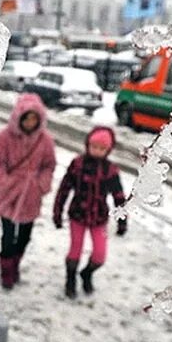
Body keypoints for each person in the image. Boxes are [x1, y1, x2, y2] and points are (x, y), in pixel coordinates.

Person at [0, 93, 57, 290]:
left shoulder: (45, 140)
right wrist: (5, 181)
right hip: (9, 195)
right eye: (26, 118)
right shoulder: (4, 137)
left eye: (34, 118)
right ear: (19, 117)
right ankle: (6, 270)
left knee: (25, 236)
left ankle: (15, 264)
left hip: (31, 195)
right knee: (8, 236)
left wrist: (41, 184)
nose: (30, 122)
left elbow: (49, 165)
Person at [52, 126, 128, 299]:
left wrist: (122, 220)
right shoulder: (77, 164)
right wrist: (58, 212)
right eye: (94, 147)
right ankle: (70, 279)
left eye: (102, 149)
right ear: (88, 144)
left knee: (100, 255)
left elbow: (119, 196)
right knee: (75, 249)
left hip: (99, 217)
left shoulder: (110, 170)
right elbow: (64, 189)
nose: (97, 151)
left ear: (108, 150)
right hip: (77, 214)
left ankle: (86, 273)